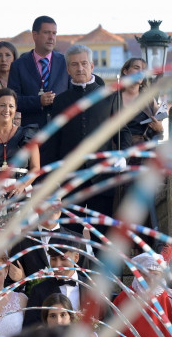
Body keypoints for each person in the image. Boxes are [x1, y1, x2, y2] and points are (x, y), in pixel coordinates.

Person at [45, 45, 120, 221]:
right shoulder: (61, 101)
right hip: (70, 178)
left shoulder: (110, 95)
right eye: (75, 64)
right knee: (71, 234)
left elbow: (122, 130)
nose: (80, 68)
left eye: (84, 63)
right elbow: (54, 140)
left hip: (102, 176)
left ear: (92, 66)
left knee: (102, 234)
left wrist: (122, 155)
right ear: (68, 69)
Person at [8, 16, 69, 130]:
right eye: (47, 33)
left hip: (61, 132)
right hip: (32, 134)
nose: (51, 38)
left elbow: (73, 96)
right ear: (35, 35)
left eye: (54, 33)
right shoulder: (18, 65)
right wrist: (38, 101)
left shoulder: (66, 62)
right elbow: (12, 100)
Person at [24, 237, 87, 328]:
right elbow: (29, 329)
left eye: (63, 258)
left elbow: (109, 323)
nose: (57, 265)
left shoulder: (93, 288)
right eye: (53, 259)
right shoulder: (39, 291)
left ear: (76, 257)